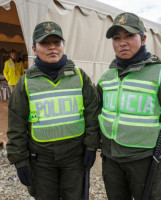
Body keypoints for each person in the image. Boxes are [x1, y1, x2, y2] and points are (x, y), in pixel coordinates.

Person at [97, 12, 161, 200]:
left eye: (129, 36)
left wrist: (151, 143)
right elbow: (97, 113)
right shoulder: (106, 76)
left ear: (143, 38)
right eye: (117, 38)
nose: (122, 43)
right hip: (111, 159)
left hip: (144, 160)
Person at [6, 21, 100, 200]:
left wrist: (91, 146)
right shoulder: (25, 83)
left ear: (63, 45)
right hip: (41, 161)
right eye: (44, 43)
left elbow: (92, 114)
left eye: (57, 42)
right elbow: (16, 123)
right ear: (34, 48)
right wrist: (19, 160)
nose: (52, 48)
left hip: (75, 157)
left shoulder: (80, 77)